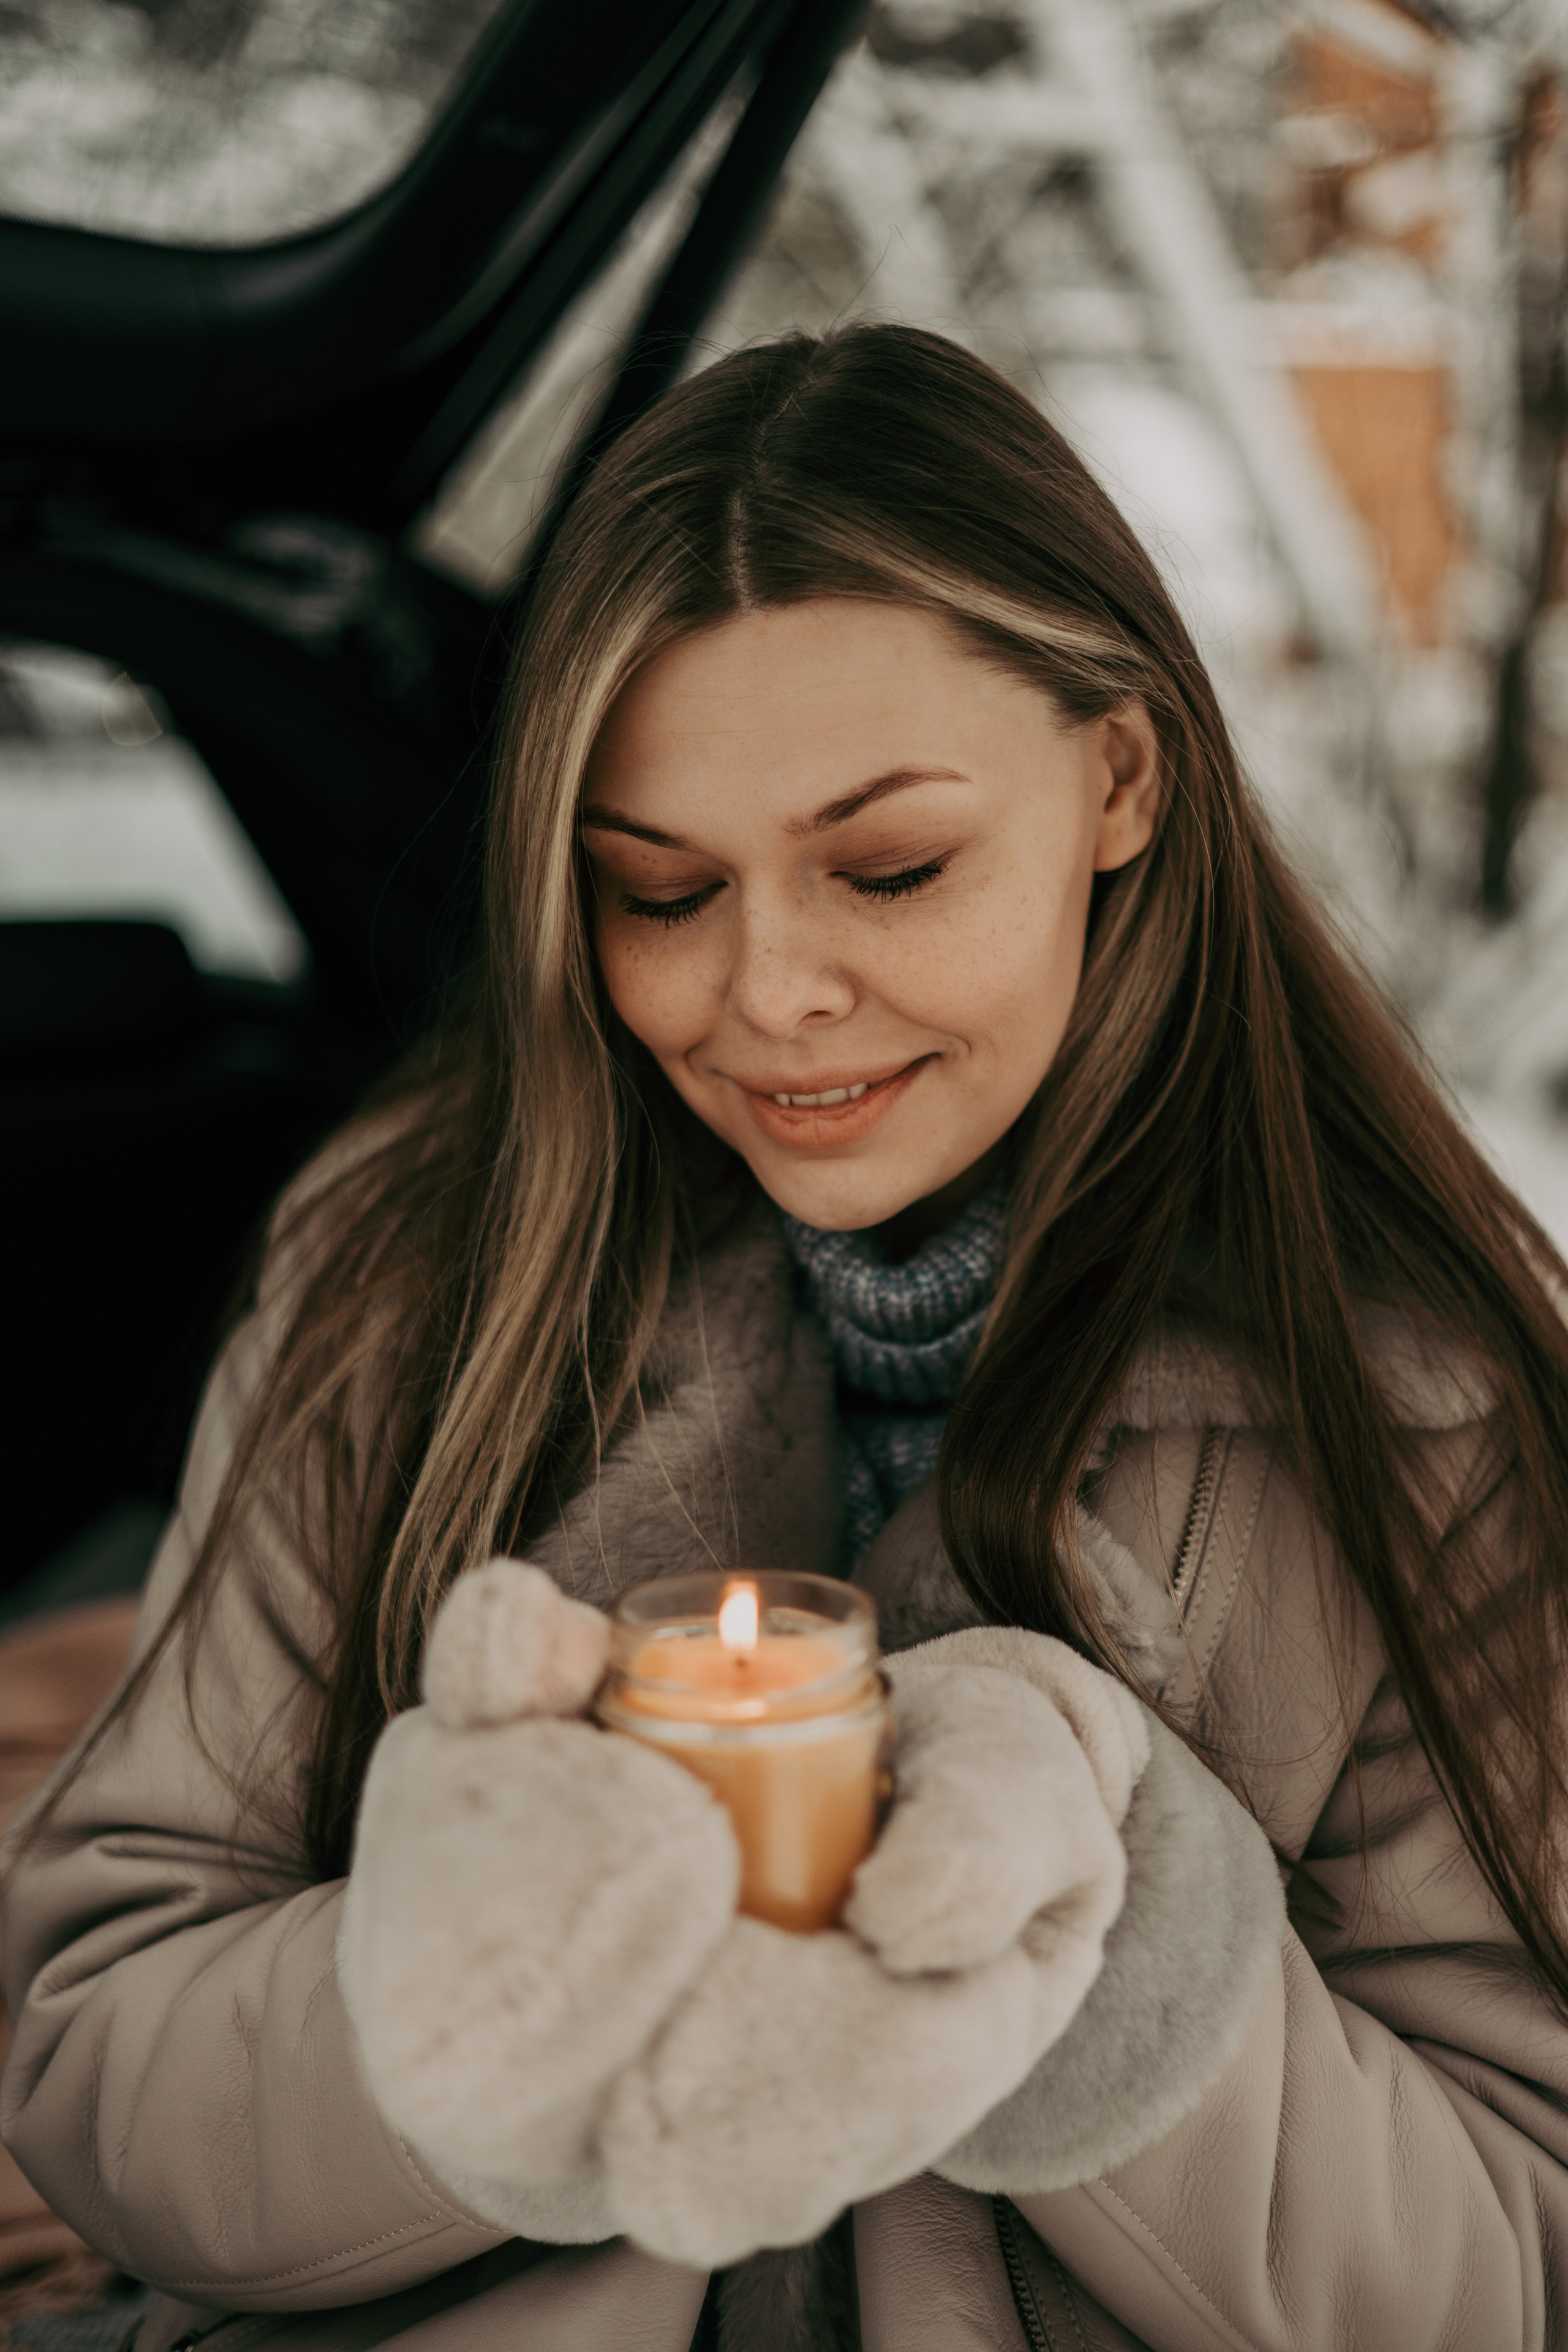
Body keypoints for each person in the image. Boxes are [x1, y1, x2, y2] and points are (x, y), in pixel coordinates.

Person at [4, 325, 1568, 2352]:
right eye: (661, 893)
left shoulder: (1419, 1398)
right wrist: (484, 1986)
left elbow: (1516, 2259)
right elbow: (107, 2052)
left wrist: (1102, 1927)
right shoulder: (414, 1279)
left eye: (891, 869)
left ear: (1119, 779)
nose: (770, 996)